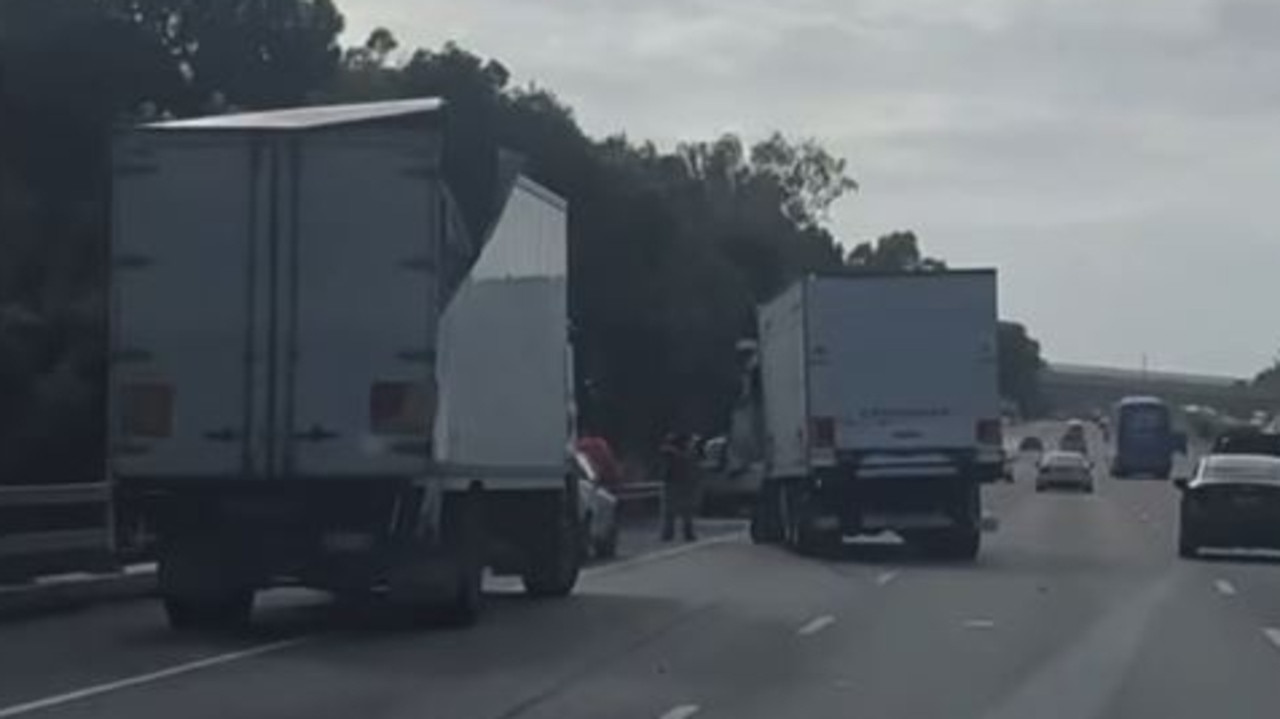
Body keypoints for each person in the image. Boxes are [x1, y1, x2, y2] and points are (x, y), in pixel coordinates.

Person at [659, 431, 699, 542]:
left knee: (669, 511)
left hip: (671, 484)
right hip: (683, 484)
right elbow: (693, 469)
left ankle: (668, 533)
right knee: (686, 510)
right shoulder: (688, 454)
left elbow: (664, 468)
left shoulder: (669, 453)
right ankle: (688, 533)